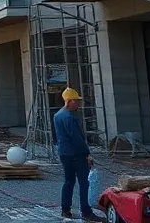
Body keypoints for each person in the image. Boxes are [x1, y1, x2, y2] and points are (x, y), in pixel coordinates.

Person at [54, 87, 100, 221]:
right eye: (76, 101)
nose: (78, 103)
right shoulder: (69, 117)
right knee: (84, 182)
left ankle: (65, 209)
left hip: (64, 153)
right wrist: (87, 154)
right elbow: (76, 138)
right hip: (76, 154)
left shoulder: (57, 115)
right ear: (69, 101)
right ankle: (86, 211)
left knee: (68, 181)